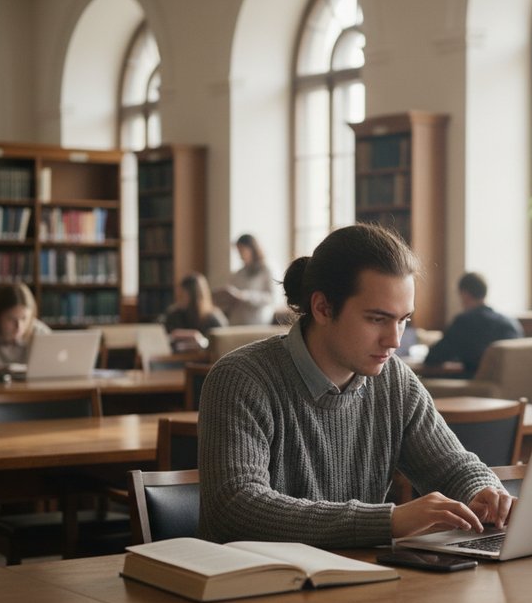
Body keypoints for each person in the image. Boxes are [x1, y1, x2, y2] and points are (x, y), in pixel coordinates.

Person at [198, 224, 512, 548]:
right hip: (259, 589)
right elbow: (235, 508)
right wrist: (388, 521)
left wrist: (484, 491)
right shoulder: (240, 378)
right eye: (377, 319)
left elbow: (452, 466)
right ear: (322, 308)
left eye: (403, 319)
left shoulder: (395, 380)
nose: (394, 340)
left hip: (363, 582)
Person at [423, 272, 524, 378]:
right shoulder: (511, 322)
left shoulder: (464, 322)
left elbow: (432, 358)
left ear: (464, 294)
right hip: (509, 386)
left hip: (475, 385)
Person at [214, 233, 278, 325]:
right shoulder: (240, 272)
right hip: (237, 321)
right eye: (238, 251)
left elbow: (271, 298)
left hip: (257, 321)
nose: (240, 255)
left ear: (252, 249)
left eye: (242, 251)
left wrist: (243, 296)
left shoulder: (267, 269)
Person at [161, 273, 229, 352]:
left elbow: (222, 343)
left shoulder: (214, 318)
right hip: (177, 359)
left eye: (183, 293)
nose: (179, 296)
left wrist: (200, 339)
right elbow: (165, 338)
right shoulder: (174, 314)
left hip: (205, 361)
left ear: (195, 295)